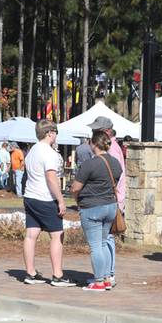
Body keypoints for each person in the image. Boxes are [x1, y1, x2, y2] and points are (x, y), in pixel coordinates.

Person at [22, 120, 75, 286]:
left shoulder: (32, 151)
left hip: (30, 196)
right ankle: (58, 275)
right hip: (45, 198)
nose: (56, 135)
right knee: (57, 235)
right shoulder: (48, 153)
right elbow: (51, 178)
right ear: (49, 133)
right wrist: (60, 200)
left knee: (31, 235)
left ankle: (30, 273)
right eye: (56, 132)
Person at [70, 130, 121, 291]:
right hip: (110, 206)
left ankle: (98, 281)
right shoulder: (115, 162)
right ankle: (106, 278)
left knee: (95, 246)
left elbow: (75, 188)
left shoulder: (90, 164)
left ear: (93, 143)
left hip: (92, 207)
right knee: (104, 242)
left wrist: (77, 198)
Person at [88, 117, 126, 284]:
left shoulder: (112, 150)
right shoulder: (112, 148)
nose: (93, 133)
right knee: (106, 239)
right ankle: (106, 274)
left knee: (107, 239)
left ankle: (108, 274)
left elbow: (117, 176)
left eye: (97, 130)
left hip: (111, 198)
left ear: (107, 131)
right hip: (111, 198)